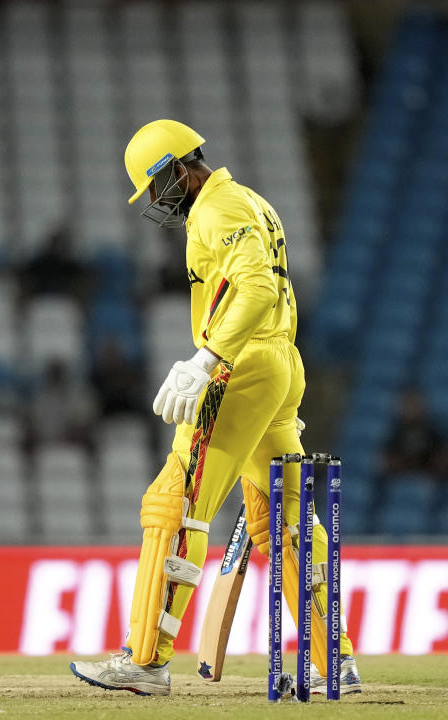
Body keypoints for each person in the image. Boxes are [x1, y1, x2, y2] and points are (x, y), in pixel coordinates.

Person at [69, 119, 361, 696]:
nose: (156, 202)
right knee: (287, 519)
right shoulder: (249, 200)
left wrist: (206, 360)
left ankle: (146, 660)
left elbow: (254, 290)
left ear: (179, 169)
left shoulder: (215, 210)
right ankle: (338, 664)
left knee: (175, 504)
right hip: (278, 362)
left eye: (156, 187)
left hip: (243, 367)